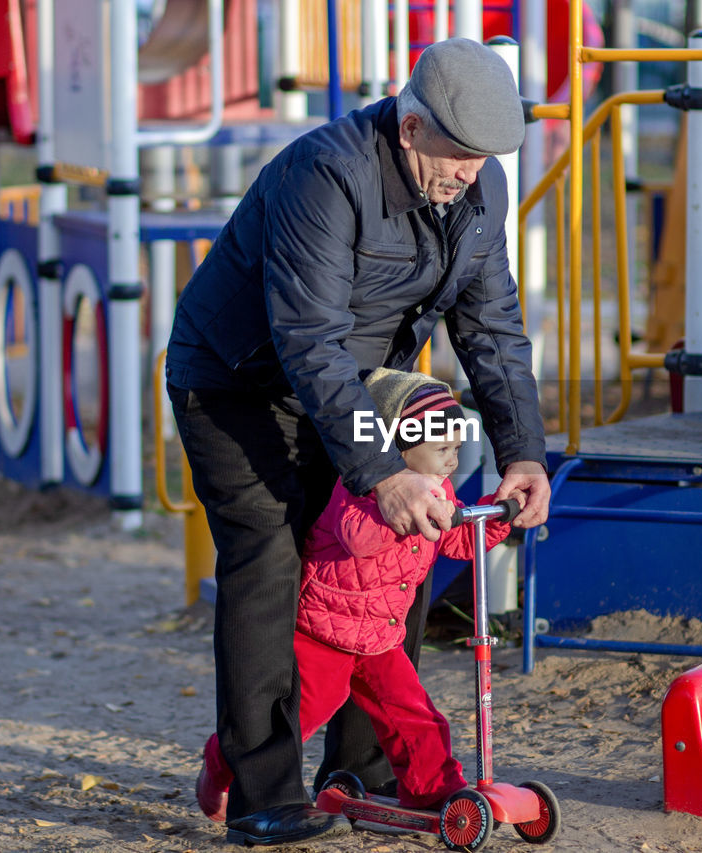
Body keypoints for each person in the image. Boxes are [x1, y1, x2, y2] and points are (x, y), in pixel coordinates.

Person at [166, 37, 551, 846]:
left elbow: (491, 324)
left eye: (484, 160)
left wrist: (522, 450)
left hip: (359, 390)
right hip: (238, 383)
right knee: (270, 563)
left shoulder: (480, 183)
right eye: (457, 157)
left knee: (392, 555)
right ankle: (262, 788)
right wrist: (380, 471)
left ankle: (362, 769)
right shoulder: (326, 173)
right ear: (409, 129)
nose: (470, 175)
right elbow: (308, 337)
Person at [195, 370, 517, 825]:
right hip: (325, 631)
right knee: (298, 718)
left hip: (381, 637)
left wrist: (495, 520)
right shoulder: (361, 488)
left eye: (456, 450)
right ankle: (222, 762)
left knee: (416, 717)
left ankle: (435, 793)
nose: (451, 461)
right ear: (398, 448)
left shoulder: (439, 490)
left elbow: (455, 542)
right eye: (441, 449)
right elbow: (359, 538)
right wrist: (412, 506)